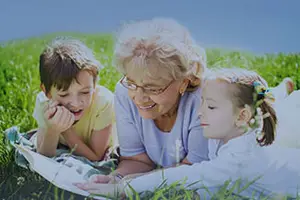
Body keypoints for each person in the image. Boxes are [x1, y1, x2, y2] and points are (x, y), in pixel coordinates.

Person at [103, 68, 300, 199]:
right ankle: (281, 90)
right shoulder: (232, 130)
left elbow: (188, 175)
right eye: (202, 103)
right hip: (272, 145)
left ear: (241, 116)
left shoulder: (239, 159)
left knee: (286, 119)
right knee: (274, 108)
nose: (199, 113)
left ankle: (281, 92)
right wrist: (130, 178)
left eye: (211, 107)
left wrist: (125, 188)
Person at [81, 17, 210, 183]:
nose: (139, 98)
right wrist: (117, 178)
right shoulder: (124, 92)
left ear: (183, 83)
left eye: (153, 88)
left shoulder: (205, 101)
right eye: (132, 82)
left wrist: (131, 185)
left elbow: (194, 172)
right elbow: (137, 160)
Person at [30, 37, 115, 162]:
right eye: (64, 94)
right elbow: (43, 158)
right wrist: (52, 130)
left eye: (85, 92)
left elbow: (97, 157)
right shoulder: (45, 103)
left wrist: (66, 131)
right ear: (47, 92)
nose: (75, 103)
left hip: (95, 151)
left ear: (94, 85)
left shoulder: (103, 103)